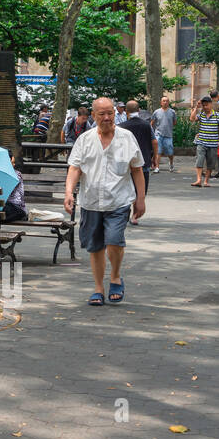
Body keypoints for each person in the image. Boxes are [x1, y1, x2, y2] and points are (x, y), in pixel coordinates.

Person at [65, 97, 145, 306]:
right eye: (102, 114)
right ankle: (98, 288)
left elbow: (137, 170)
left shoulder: (127, 138)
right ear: (93, 116)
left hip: (118, 201)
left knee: (114, 241)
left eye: (110, 113)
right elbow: (74, 168)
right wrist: (68, 193)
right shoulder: (85, 140)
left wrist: (141, 200)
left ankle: (115, 276)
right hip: (91, 202)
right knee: (95, 247)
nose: (107, 118)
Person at [118, 101, 157, 220]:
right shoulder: (146, 125)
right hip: (143, 160)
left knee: (125, 188)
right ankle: (135, 215)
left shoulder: (122, 126)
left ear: (126, 111)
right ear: (139, 110)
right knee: (140, 188)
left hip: (125, 162)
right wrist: (154, 157)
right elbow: (154, 141)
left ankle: (125, 213)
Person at [188, 95, 219, 187]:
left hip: (213, 143)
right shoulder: (201, 115)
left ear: (211, 104)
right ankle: (198, 180)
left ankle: (206, 181)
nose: (205, 107)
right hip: (201, 142)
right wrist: (196, 107)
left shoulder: (218, 115)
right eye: (203, 105)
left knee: (210, 163)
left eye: (206, 105)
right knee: (199, 161)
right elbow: (191, 119)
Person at [151, 95, 177, 172]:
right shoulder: (156, 112)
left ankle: (171, 163)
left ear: (169, 102)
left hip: (168, 135)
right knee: (158, 151)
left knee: (170, 151)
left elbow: (175, 122)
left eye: (167, 101)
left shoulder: (172, 112)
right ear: (161, 103)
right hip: (158, 134)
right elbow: (152, 122)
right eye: (164, 101)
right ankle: (157, 167)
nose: (165, 102)